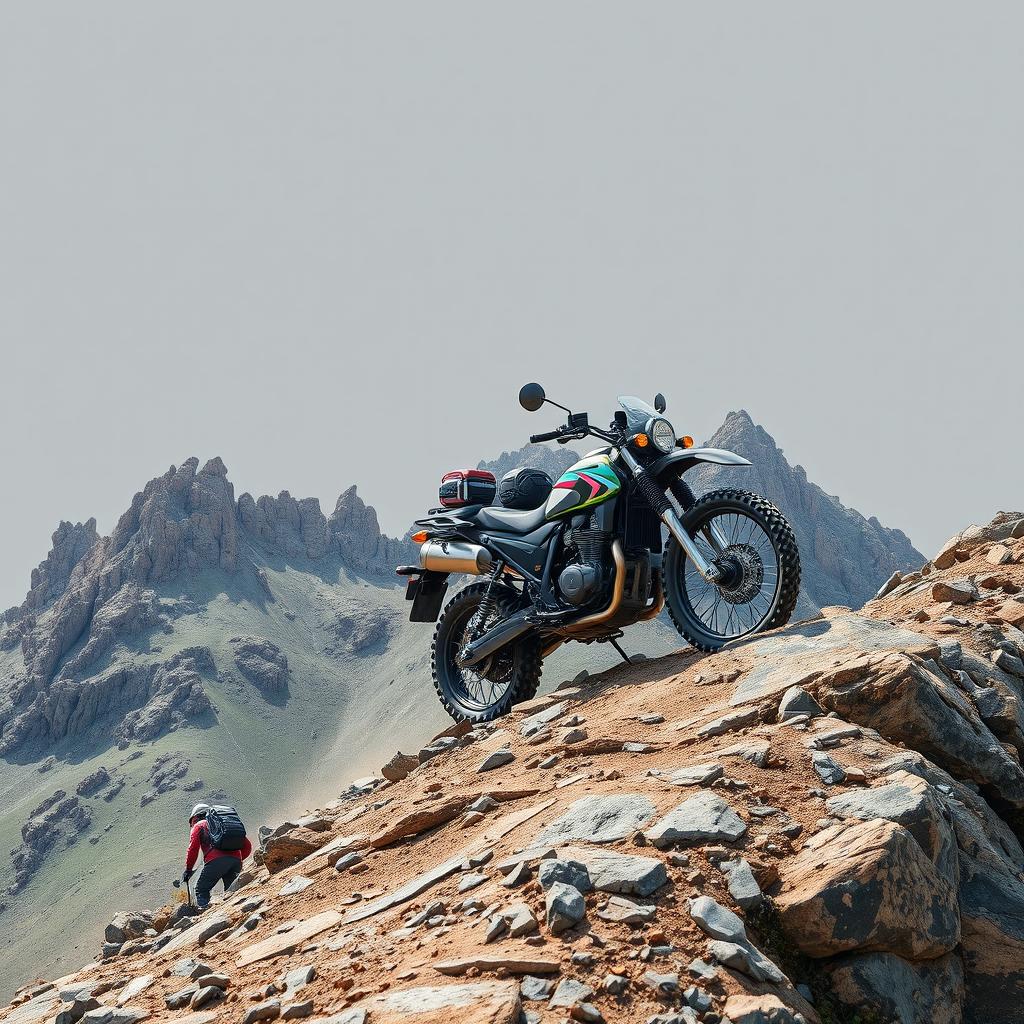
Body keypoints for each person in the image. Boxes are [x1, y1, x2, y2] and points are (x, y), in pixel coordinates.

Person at [181, 802, 252, 910]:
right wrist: (237, 859)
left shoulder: (199, 825)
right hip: (236, 861)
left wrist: (188, 870)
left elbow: (193, 849)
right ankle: (238, 910)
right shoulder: (221, 823)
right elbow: (247, 846)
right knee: (231, 890)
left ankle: (204, 913)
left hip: (215, 861)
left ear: (195, 817)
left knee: (201, 889)